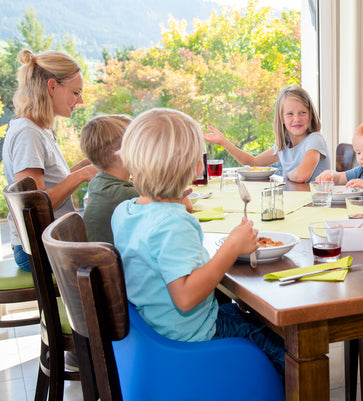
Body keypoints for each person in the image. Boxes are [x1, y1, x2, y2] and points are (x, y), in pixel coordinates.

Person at [111, 107, 284, 377]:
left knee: (243, 315)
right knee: (284, 348)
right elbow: (186, 297)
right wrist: (231, 248)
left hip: (151, 332)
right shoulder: (173, 224)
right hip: (191, 337)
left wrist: (176, 201)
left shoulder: (125, 211)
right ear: (196, 167)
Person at [2, 49, 98, 272]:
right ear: (52, 86)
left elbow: (48, 184)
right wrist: (82, 175)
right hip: (39, 250)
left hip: (50, 242)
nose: (80, 100)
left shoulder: (37, 129)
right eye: (76, 92)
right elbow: (34, 205)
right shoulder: (28, 133)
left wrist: (86, 165)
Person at [204, 85, 331, 182]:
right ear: (281, 118)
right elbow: (253, 162)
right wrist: (224, 142)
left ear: (311, 115)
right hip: (295, 200)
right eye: (290, 114)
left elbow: (302, 175)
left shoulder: (315, 139)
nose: (297, 119)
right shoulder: (284, 145)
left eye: (302, 112)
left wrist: (286, 175)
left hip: (314, 204)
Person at [79, 115, 138, 244]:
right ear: (121, 154)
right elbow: (183, 204)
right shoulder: (122, 193)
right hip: (116, 262)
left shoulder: (99, 182)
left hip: (99, 260)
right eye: (136, 143)